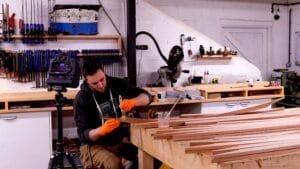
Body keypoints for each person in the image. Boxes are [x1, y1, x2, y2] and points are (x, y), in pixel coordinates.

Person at [73, 59, 152, 169]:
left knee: (148, 156)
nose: (100, 85)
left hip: (117, 141)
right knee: (113, 164)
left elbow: (147, 96)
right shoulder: (81, 99)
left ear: (104, 71)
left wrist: (134, 102)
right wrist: (101, 130)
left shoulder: (117, 84)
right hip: (93, 146)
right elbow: (82, 134)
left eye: (102, 79)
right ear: (86, 81)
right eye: (94, 83)